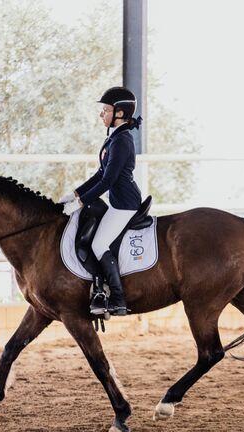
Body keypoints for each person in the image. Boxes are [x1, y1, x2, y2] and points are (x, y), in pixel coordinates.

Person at [59, 86, 143, 316]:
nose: (101, 114)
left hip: (124, 204)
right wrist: (75, 195)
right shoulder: (115, 138)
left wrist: (81, 203)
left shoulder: (122, 140)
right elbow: (99, 174)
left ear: (119, 113)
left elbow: (107, 181)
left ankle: (117, 297)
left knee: (98, 244)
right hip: (118, 200)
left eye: (105, 110)